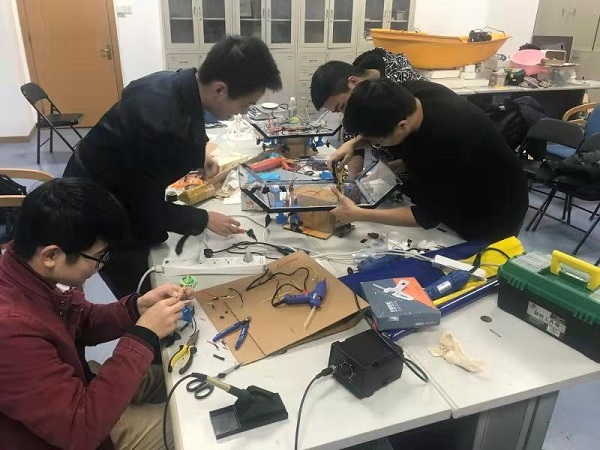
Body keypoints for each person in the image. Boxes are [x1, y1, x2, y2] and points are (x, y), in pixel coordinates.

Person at [63, 35, 282, 298]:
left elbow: (134, 94)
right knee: (147, 294)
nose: (241, 113)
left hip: (103, 179)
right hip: (98, 208)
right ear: (220, 90)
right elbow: (144, 210)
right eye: (244, 105)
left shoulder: (174, 81)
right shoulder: (161, 126)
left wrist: (197, 156)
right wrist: (203, 219)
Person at [0, 178, 195, 449]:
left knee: (185, 377)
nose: (100, 266)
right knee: (192, 428)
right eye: (99, 257)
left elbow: (81, 320)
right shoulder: (11, 331)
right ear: (51, 255)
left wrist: (136, 308)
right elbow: (80, 430)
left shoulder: (25, 270)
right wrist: (144, 335)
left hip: (75, 387)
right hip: (70, 430)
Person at [328, 79, 529, 243]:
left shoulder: (447, 139)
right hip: (461, 175)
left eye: (376, 142)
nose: (374, 145)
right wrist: (353, 144)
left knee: (472, 259)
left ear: (402, 126)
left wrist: (358, 214)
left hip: (492, 209)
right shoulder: (405, 95)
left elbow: (428, 215)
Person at [311, 49, 424, 176]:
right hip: (390, 171)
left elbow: (427, 151)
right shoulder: (357, 95)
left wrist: (394, 168)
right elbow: (353, 139)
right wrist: (354, 181)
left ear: (354, 82)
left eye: (342, 107)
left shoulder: (403, 86)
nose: (345, 114)